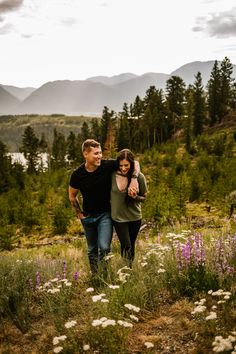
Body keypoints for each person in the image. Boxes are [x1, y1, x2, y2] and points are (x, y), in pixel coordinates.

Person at [68, 139, 140, 276]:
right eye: (96, 154)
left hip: (105, 215)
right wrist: (79, 214)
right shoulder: (77, 174)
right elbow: (72, 196)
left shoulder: (106, 166)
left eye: (100, 152)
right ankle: (96, 276)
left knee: (105, 248)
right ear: (85, 154)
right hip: (87, 217)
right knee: (92, 249)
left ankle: (105, 275)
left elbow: (134, 162)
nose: (100, 156)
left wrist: (135, 178)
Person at [111, 149, 148, 266]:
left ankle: (129, 269)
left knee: (131, 244)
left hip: (135, 218)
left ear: (131, 164)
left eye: (126, 165)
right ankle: (126, 268)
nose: (123, 168)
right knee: (126, 244)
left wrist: (135, 197)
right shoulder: (112, 175)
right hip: (118, 218)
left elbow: (144, 198)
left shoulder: (139, 177)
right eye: (121, 165)